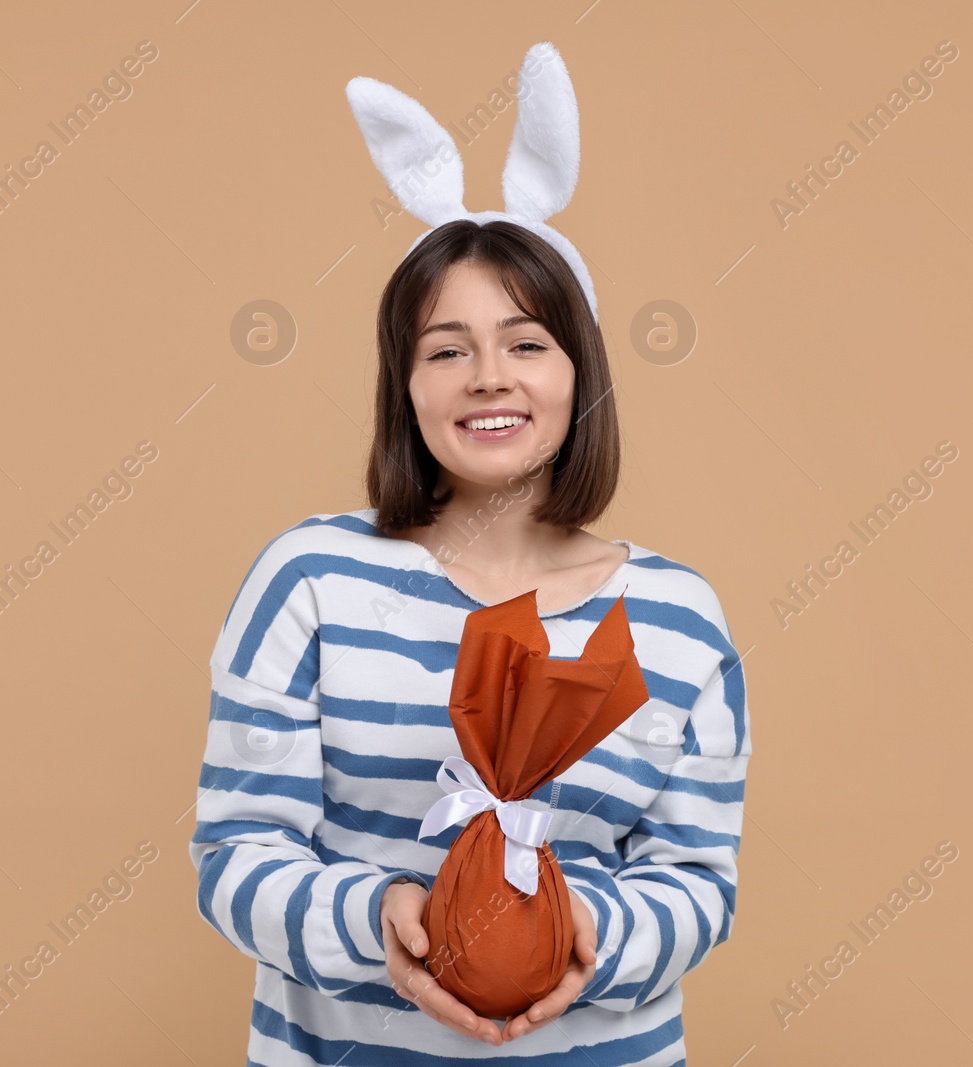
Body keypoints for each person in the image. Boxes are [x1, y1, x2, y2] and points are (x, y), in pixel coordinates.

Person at [190, 218, 751, 1063]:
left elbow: (700, 882)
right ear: (404, 385)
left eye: (527, 344)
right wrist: (379, 916)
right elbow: (235, 854)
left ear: (579, 373)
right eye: (446, 351)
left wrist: (575, 930)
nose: (490, 378)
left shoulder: (678, 615)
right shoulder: (310, 577)